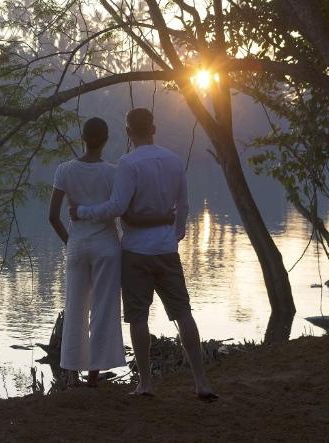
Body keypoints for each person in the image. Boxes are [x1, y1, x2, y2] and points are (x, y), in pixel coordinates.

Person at [69, 107, 218, 401]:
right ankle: (201, 382)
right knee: (183, 313)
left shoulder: (127, 163)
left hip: (136, 251)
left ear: (127, 133)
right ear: (154, 128)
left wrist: (82, 212)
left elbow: (116, 207)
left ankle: (146, 383)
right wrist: (173, 232)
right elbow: (184, 206)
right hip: (166, 250)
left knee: (138, 317)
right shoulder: (173, 161)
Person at [48, 117, 126, 387]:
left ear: (82, 137)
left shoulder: (65, 170)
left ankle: (71, 373)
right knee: (104, 308)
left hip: (78, 246)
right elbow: (120, 210)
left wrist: (69, 242)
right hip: (106, 246)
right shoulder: (115, 173)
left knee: (75, 307)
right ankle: (94, 375)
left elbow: (53, 216)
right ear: (106, 140)